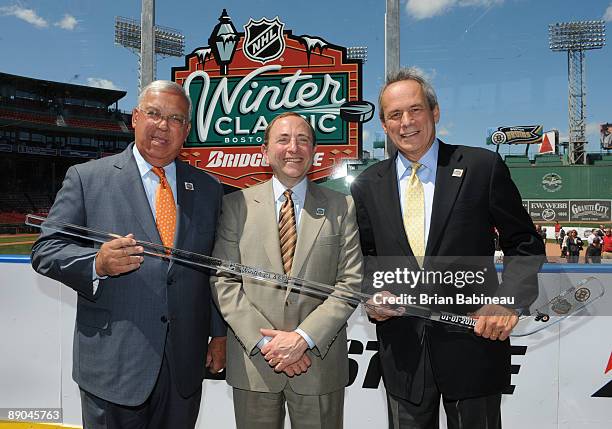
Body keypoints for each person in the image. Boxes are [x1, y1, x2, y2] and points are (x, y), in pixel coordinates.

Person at [350, 68, 545, 429]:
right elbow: (365, 259)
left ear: (434, 113)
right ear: (384, 123)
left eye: (415, 110)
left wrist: (507, 300)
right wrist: (371, 294)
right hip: (403, 354)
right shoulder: (366, 184)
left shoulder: (481, 166)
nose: (406, 122)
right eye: (395, 115)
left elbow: (526, 244)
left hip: (474, 345)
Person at [31, 81, 227, 429]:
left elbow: (212, 269)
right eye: (154, 113)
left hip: (183, 364)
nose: (163, 125)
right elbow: (46, 250)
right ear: (135, 118)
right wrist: (96, 263)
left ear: (186, 130)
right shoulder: (87, 178)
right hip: (113, 364)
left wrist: (219, 333)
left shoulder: (209, 188)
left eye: (175, 118)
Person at [210, 112, 362, 429]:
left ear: (314, 152)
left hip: (318, 365)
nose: (293, 147)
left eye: (303, 139)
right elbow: (224, 280)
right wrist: (267, 344)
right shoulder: (236, 205)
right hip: (255, 365)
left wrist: (303, 339)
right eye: (283, 139)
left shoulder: (341, 206)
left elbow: (350, 284)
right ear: (265, 151)